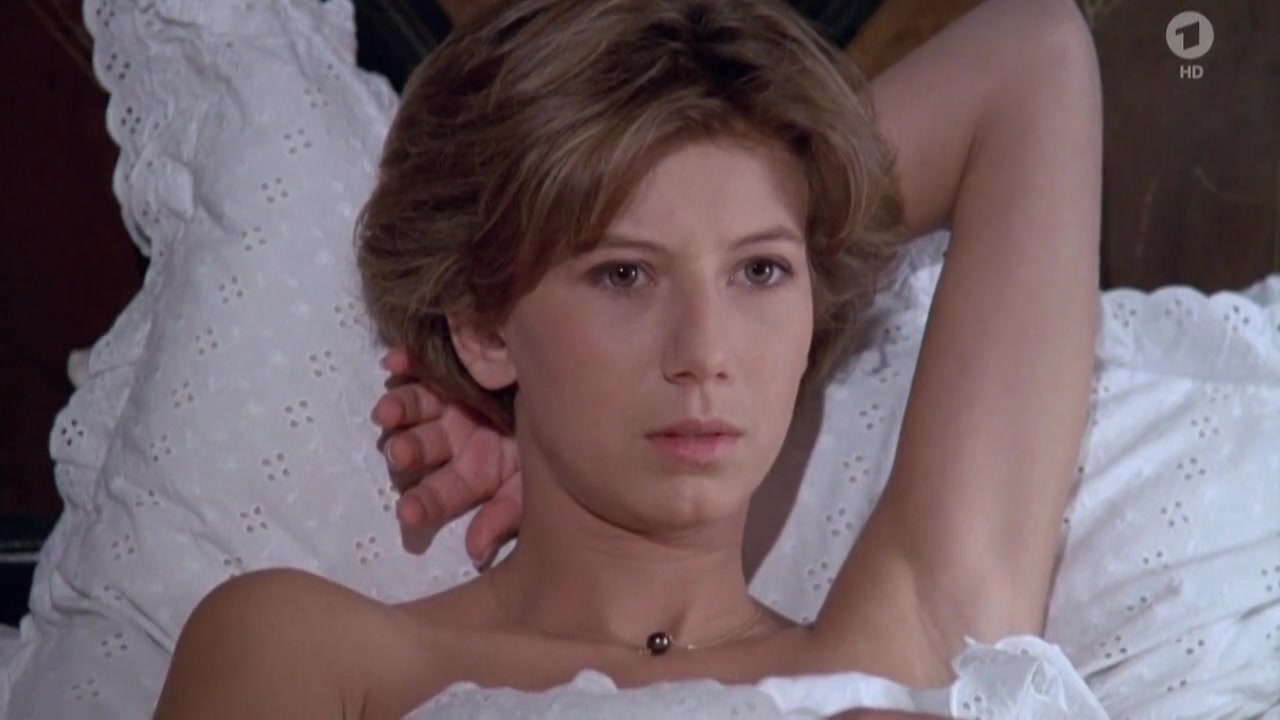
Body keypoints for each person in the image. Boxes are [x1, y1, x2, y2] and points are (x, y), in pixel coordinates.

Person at [154, 0, 1103, 717]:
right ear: (484, 327)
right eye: (623, 275)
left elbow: (1035, 53)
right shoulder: (312, 653)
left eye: (761, 271)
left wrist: (799, 173)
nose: (705, 353)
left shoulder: (916, 639)